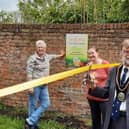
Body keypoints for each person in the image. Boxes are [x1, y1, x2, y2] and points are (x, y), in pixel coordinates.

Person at [85, 39, 129, 129]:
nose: (128, 55)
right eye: (125, 51)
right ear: (121, 52)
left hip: (126, 118)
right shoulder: (114, 70)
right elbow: (106, 92)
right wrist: (94, 87)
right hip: (111, 117)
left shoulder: (106, 64)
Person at [25, 40, 65, 129]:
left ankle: (30, 121)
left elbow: (54, 57)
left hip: (44, 85)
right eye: (39, 47)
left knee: (46, 103)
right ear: (36, 48)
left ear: (45, 48)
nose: (40, 49)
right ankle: (33, 126)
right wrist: (30, 85)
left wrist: (61, 55)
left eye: (42, 47)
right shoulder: (32, 58)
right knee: (33, 105)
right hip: (35, 85)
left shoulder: (47, 57)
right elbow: (29, 73)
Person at [83, 47, 110, 129]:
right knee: (95, 121)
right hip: (92, 96)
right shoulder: (89, 65)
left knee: (106, 120)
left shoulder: (105, 64)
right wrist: (86, 78)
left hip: (103, 98)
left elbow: (111, 78)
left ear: (97, 53)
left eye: (92, 53)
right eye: (89, 54)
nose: (91, 55)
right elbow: (86, 78)